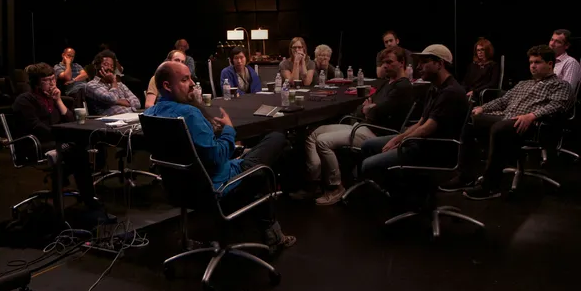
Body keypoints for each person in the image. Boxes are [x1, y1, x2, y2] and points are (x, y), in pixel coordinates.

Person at [144, 61, 295, 251]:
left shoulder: (150, 114)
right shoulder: (189, 114)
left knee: (258, 166)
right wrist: (229, 130)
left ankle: (262, 225)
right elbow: (218, 157)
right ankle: (274, 233)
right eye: (185, 79)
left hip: (179, 191)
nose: (192, 83)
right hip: (218, 185)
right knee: (277, 140)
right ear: (167, 86)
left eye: (191, 77)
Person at [448, 45, 573, 200]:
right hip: (505, 117)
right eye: (531, 62)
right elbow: (503, 101)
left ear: (550, 64)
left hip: (532, 126)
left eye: (538, 62)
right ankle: (465, 176)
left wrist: (532, 115)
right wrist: (482, 108)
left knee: (500, 128)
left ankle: (490, 186)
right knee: (470, 120)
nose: (533, 66)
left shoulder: (560, 85)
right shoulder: (523, 83)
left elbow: (558, 105)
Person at [293, 46, 414, 205]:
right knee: (314, 133)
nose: (385, 66)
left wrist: (370, 109)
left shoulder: (402, 86)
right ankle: (314, 183)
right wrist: (368, 109)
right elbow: (366, 106)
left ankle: (335, 187)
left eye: (390, 62)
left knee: (322, 141)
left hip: (377, 133)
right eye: (384, 62)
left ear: (401, 63)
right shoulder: (387, 84)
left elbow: (377, 111)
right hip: (362, 125)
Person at [13, 63, 113, 221]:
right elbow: (37, 128)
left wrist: (58, 101)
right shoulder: (25, 100)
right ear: (36, 83)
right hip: (34, 145)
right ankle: (91, 204)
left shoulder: (52, 99)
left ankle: (84, 196)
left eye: (53, 79)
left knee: (88, 145)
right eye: (47, 80)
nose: (52, 83)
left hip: (56, 142)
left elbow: (72, 121)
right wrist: (64, 136)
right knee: (77, 153)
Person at [360, 45, 469, 178]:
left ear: (439, 64)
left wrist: (401, 141)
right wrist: (397, 139)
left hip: (433, 149)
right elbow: (421, 122)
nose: (418, 67)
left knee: (367, 164)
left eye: (424, 62)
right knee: (368, 145)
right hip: (421, 142)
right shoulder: (434, 88)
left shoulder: (451, 92)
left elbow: (426, 129)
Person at [461, 38, 501, 102]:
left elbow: (492, 84)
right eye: (478, 50)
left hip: (483, 94)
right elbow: (465, 82)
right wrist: (462, 91)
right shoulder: (472, 65)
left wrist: (475, 92)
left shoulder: (493, 66)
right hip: (470, 93)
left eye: (482, 50)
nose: (480, 52)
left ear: (488, 51)